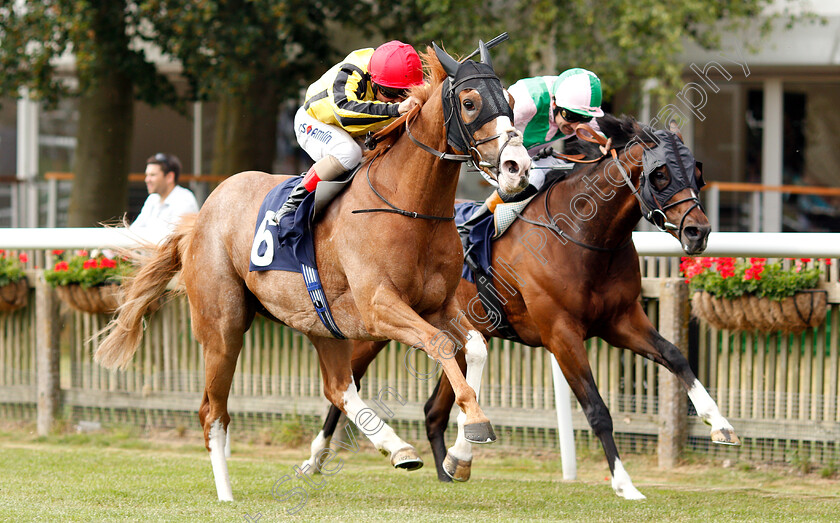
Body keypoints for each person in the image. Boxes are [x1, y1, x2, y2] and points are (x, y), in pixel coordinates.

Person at [276, 40, 425, 220]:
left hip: (354, 129)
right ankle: (293, 204)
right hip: (314, 121)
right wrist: (395, 110)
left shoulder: (394, 80)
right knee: (349, 153)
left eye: (404, 94)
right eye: (390, 94)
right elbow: (344, 114)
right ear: (373, 80)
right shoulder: (352, 72)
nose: (397, 101)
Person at [459, 68, 605, 237]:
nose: (575, 126)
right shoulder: (527, 102)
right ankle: (471, 226)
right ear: (554, 103)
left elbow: (604, 140)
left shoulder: (579, 109)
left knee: (564, 168)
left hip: (527, 156)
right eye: (570, 116)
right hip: (494, 153)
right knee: (534, 176)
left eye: (584, 119)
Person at [129, 153, 199, 241]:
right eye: (147, 175)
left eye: (152, 175)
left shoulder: (184, 200)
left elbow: (171, 242)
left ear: (170, 177)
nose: (147, 180)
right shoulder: (152, 198)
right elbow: (134, 231)